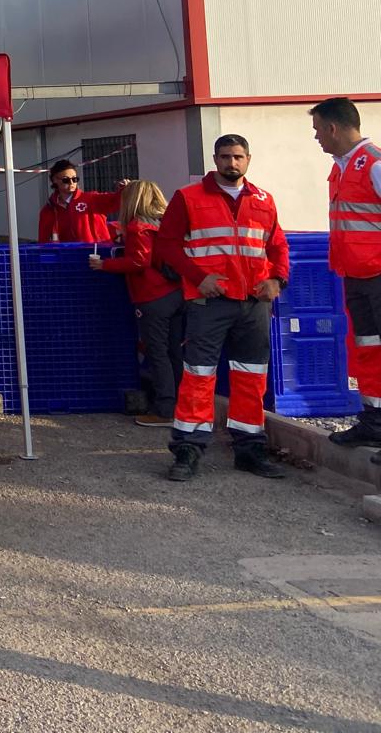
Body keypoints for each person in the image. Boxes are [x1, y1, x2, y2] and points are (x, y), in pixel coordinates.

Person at [156, 135, 290, 483]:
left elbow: (277, 246)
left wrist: (277, 280)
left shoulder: (264, 199)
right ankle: (188, 449)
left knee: (251, 377)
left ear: (249, 159)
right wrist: (198, 278)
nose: (232, 163)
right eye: (226, 157)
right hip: (208, 302)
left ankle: (249, 449)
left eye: (239, 157)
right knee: (199, 375)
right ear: (215, 159)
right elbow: (167, 246)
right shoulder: (188, 198)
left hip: (253, 303)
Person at [309, 98, 381, 456]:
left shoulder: (375, 164)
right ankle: (375, 423)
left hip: (378, 274)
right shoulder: (342, 168)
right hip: (358, 274)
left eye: (318, 129)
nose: (317, 137)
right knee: (367, 349)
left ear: (333, 128)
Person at [91, 181, 184, 426]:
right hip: (177, 291)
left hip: (152, 295)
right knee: (175, 351)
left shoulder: (138, 227)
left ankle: (165, 409)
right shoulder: (166, 221)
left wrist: (105, 265)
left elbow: (138, 262)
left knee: (157, 352)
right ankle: (183, 407)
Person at [37, 160, 121, 243]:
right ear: (54, 180)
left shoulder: (91, 199)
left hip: (98, 254)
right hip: (69, 255)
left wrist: (125, 189)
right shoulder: (48, 211)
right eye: (65, 180)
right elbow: (43, 242)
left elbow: (118, 200)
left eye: (75, 179)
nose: (71, 183)